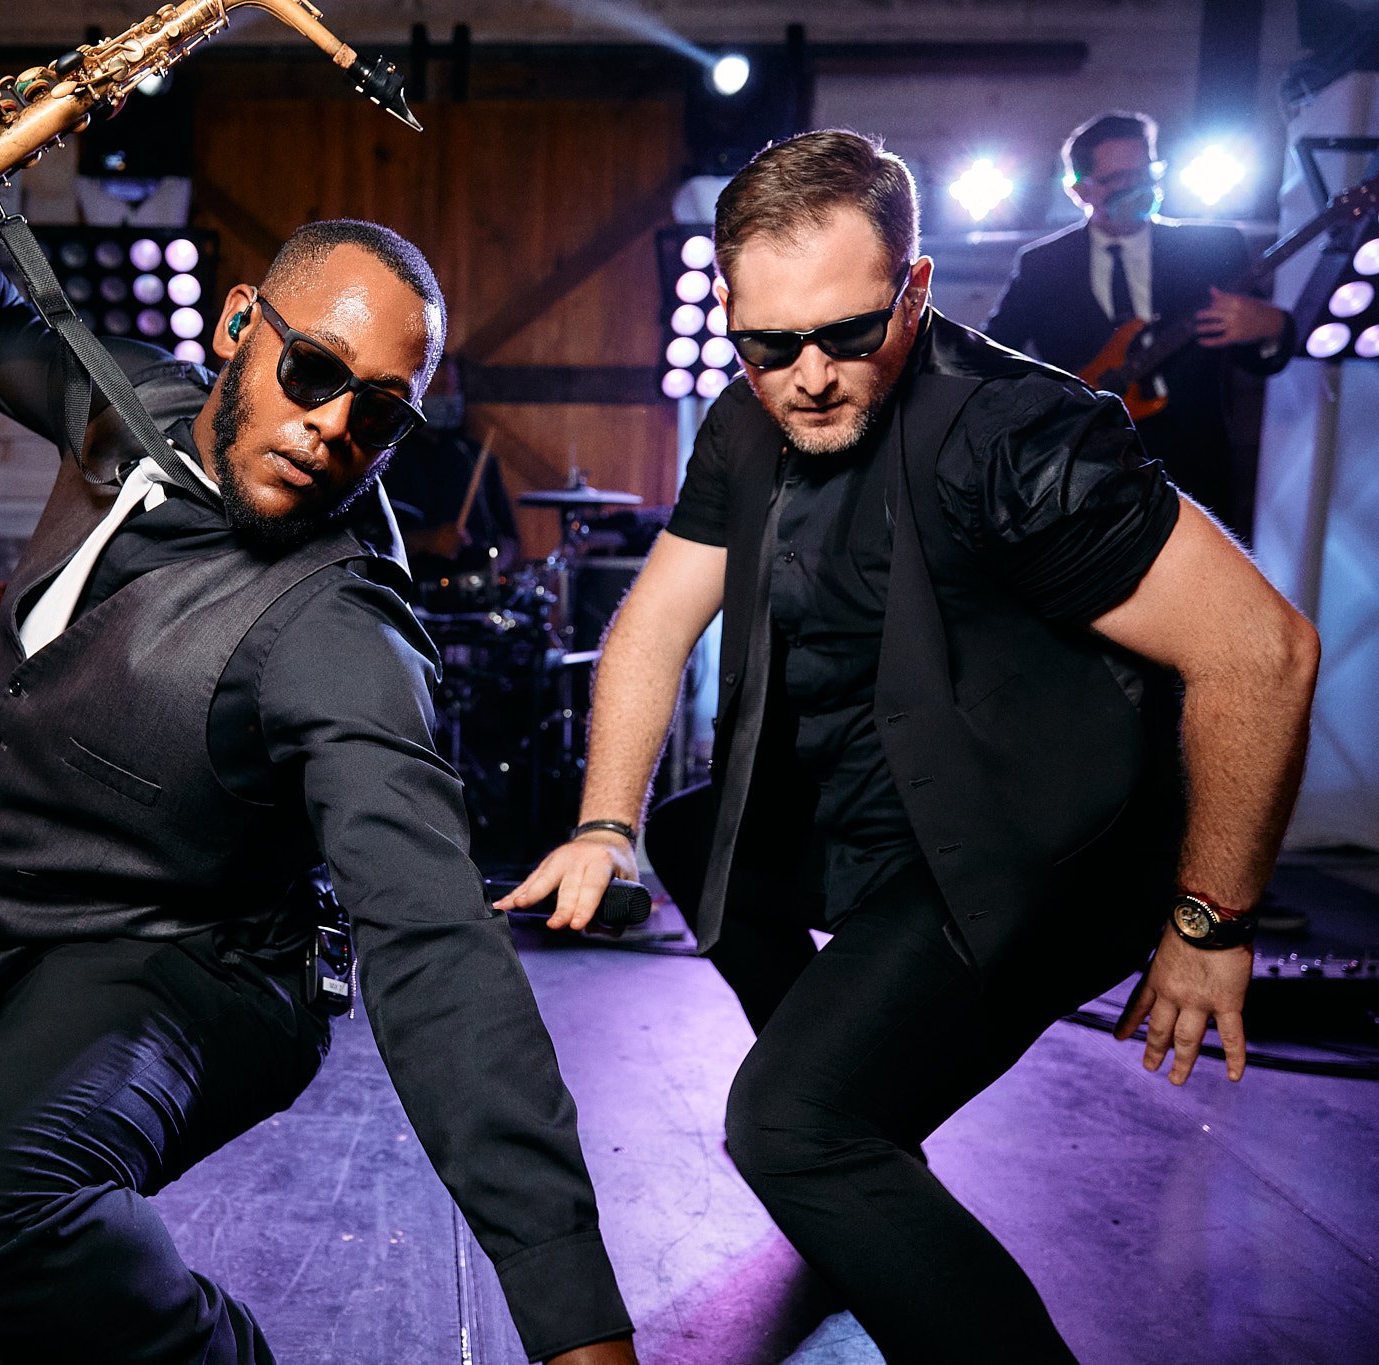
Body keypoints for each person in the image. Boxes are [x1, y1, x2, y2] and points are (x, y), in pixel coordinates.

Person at [0, 37, 637, 1365]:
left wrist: (573, 1319)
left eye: (380, 416)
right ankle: (21, 1193)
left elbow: (438, 952)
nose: (333, 428)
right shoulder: (135, 405)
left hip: (196, 972)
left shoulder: (339, 629)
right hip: (13, 919)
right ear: (236, 328)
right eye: (313, 373)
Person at [501, 130, 1318, 1362]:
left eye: (847, 332)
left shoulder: (1021, 439)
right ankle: (859, 1137)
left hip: (1038, 844)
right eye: (769, 344)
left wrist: (1210, 926)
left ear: (915, 289)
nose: (810, 374)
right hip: (889, 804)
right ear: (730, 319)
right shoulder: (743, 421)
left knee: (784, 1127)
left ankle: (837, 1139)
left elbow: (1261, 654)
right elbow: (651, 627)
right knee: (694, 838)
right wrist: (601, 824)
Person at [985, 110, 1295, 543]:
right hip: (1082, 476)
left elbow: (1254, 355)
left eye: (1145, 172)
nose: (1138, 187)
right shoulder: (1042, 265)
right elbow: (994, 354)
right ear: (1080, 190)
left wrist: (1273, 327)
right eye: (1117, 178)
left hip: (1194, 471)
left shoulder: (1215, 249)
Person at [385, 354, 521, 583]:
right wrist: (428, 541)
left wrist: (494, 564)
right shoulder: (389, 457)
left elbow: (509, 539)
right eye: (439, 389)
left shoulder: (475, 456)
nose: (448, 398)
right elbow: (371, 541)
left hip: (473, 596)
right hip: (414, 594)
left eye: (453, 390)